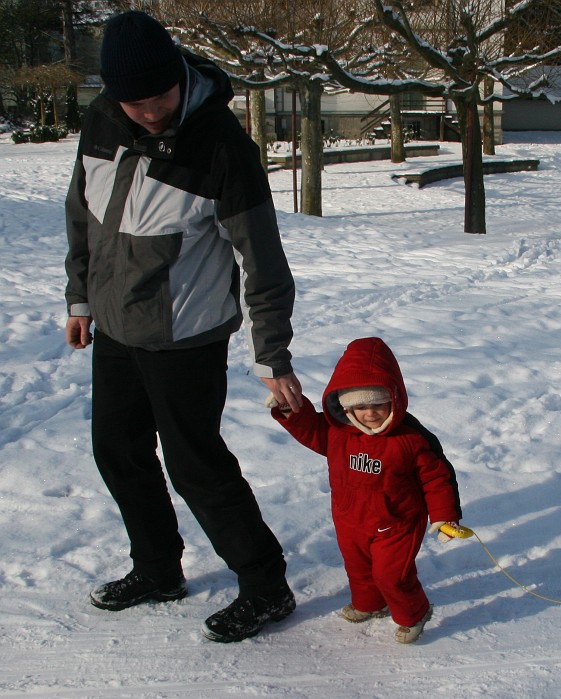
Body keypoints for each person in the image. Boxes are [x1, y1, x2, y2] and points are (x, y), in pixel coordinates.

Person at [64, 10, 304, 643]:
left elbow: (263, 259)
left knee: (195, 462)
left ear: (179, 76)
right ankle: (158, 569)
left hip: (185, 335)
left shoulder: (220, 146)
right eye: (131, 100)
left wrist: (272, 356)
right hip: (116, 325)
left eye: (158, 96)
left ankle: (265, 585)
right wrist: (80, 299)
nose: (146, 111)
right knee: (117, 450)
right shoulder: (102, 121)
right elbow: (83, 216)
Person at [269, 337, 462, 644]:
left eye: (378, 404)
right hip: (350, 520)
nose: (369, 413)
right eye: (360, 406)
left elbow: (436, 479)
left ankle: (415, 613)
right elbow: (311, 430)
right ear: (345, 405)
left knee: (391, 575)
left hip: (397, 523)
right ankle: (371, 605)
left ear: (394, 400)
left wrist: (444, 516)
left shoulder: (410, 440)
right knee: (358, 569)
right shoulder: (338, 433)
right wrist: (290, 409)